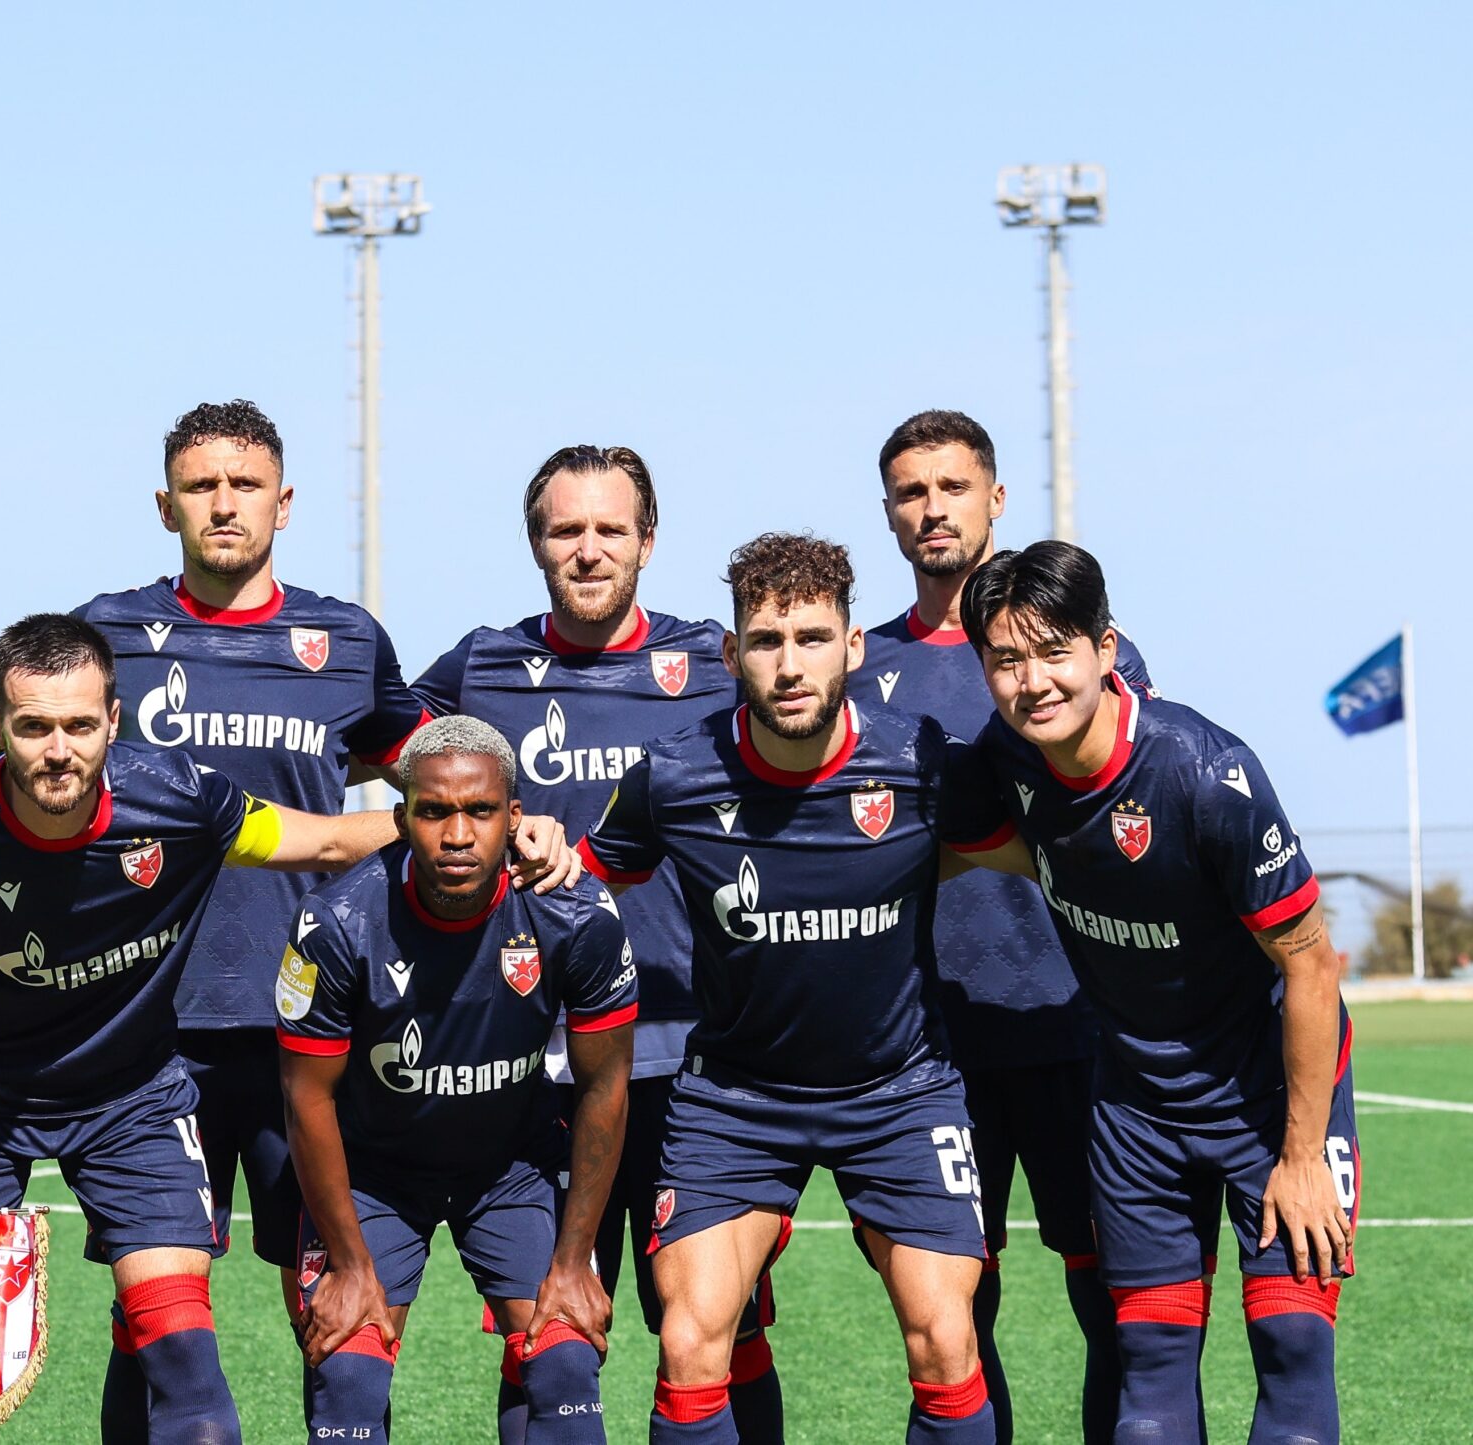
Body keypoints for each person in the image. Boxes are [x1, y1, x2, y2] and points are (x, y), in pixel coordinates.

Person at [0, 615, 576, 1444]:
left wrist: (503, 835)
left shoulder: (179, 796)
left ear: (114, 719)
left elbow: (328, 837)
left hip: (132, 1104)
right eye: (34, 726)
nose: (59, 750)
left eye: (80, 724)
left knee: (191, 1381)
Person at [579, 533, 1030, 1443]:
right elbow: (580, 882)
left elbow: (1047, 856)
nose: (790, 665)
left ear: (852, 646)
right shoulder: (673, 775)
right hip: (735, 1099)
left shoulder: (926, 763)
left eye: (813, 637)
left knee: (948, 1339)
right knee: (689, 1341)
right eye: (767, 640)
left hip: (901, 1092)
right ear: (731, 653)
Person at [413, 445, 782, 1438]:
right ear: (535, 542)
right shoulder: (479, 666)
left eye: (610, 528)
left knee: (720, 1326)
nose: (588, 549)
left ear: (647, 541)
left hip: (692, 1062)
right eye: (566, 529)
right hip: (531, 1061)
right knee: (545, 1329)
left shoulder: (713, 662)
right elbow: (390, 756)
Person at [959, 542, 1355, 1444]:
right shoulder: (1004, 758)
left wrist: (1301, 1156)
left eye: (1054, 651)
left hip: (1268, 1097)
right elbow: (963, 845)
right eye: (1007, 659)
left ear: (1106, 649)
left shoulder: (1205, 773)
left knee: (1292, 1344)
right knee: (1146, 1382)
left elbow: (1310, 964)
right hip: (1137, 1106)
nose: (1033, 682)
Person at [72, 398, 428, 1370]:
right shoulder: (106, 634)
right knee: (152, 1321)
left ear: (284, 501)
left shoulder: (345, 640)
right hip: (150, 1028)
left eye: (245, 484)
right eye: (200, 486)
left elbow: (436, 776)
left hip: (306, 1025)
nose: (224, 503)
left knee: (333, 1307)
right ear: (165, 506)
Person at [855, 410, 1158, 1442]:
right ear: (888, 512)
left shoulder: (1080, 655)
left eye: (952, 486)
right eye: (911, 491)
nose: (932, 508)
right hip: (930, 1049)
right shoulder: (859, 667)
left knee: (1116, 1302)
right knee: (951, 1318)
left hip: (1077, 1023)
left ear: (995, 497)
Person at [279, 716, 637, 1444]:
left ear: (515, 817)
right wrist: (349, 1263)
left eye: (480, 810)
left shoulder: (577, 913)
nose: (457, 834)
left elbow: (605, 1087)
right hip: (374, 1175)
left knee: (566, 1359)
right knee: (346, 1372)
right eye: (434, 811)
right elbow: (305, 1095)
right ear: (401, 817)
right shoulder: (335, 923)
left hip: (511, 1167)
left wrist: (574, 1261)